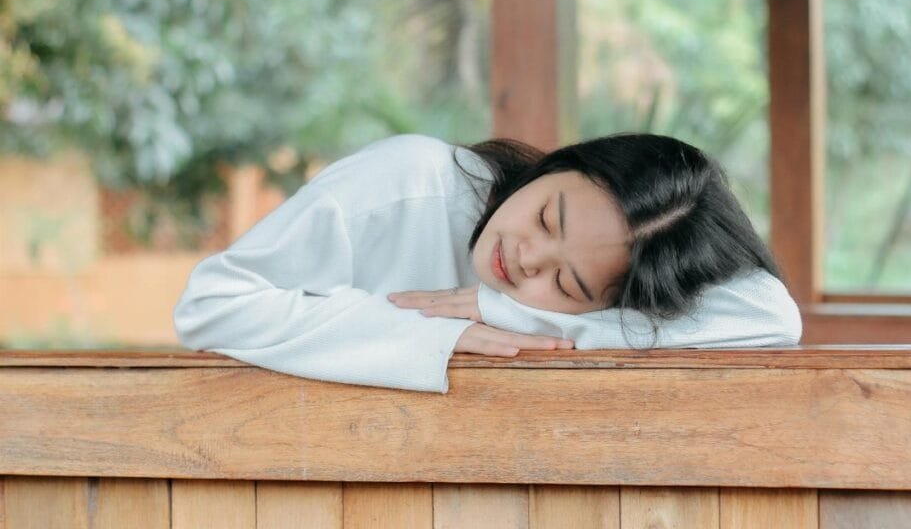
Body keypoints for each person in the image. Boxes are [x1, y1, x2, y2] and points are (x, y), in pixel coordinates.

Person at [173, 133, 801, 393]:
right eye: (548, 218)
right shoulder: (409, 181)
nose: (525, 257)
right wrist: (426, 334)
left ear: (606, 307)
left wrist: (510, 314)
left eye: (566, 282)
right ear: (559, 164)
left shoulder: (557, 309)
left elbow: (773, 318)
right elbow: (211, 304)